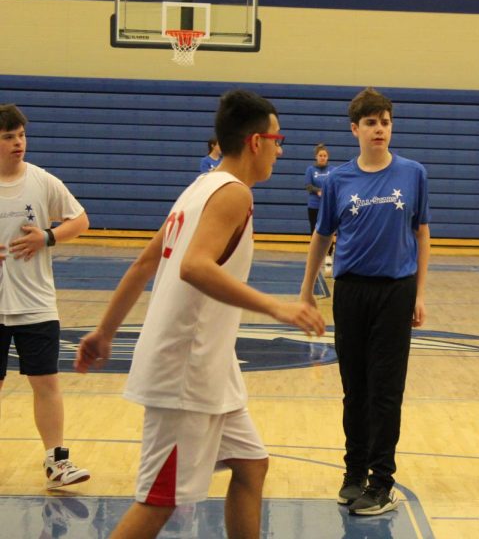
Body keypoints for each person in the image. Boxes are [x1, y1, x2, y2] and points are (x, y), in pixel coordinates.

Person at [74, 89, 325, 539]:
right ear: (255, 142)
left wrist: (104, 332)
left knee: (251, 466)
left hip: (210, 368)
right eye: (277, 138)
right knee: (158, 503)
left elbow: (143, 264)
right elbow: (193, 267)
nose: (280, 149)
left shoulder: (198, 188)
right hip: (184, 372)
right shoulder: (231, 195)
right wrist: (277, 307)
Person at [299, 87, 430, 516]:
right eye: (371, 122)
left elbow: (421, 233)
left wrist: (420, 292)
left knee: (385, 391)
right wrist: (307, 291)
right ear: (355, 129)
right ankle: (353, 473)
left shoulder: (413, 173)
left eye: (386, 121)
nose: (380, 129)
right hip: (351, 291)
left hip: (396, 291)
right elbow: (322, 235)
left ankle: (382, 481)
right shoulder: (338, 179)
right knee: (354, 390)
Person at [0, 103, 91, 490]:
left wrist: (48, 236)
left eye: (21, 135)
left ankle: (56, 462)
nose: (18, 143)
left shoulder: (42, 181)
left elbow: (80, 220)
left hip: (36, 302)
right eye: (8, 137)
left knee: (46, 382)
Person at [304, 143, 336, 273]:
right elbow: (308, 186)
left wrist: (328, 192)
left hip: (328, 205)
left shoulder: (333, 170)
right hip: (314, 205)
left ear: (327, 157)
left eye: (325, 156)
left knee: (328, 231)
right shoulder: (311, 170)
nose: (322, 158)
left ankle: (328, 255)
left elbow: (335, 185)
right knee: (314, 231)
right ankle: (315, 257)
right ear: (316, 157)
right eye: (320, 155)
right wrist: (318, 191)